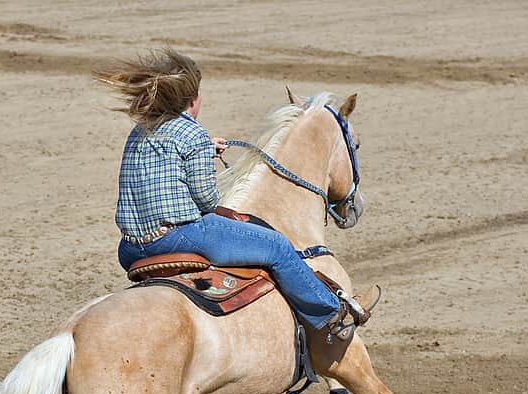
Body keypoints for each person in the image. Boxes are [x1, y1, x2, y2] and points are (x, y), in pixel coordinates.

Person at [94, 49, 376, 336]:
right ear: (193, 100)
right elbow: (207, 200)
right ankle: (333, 314)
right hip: (177, 238)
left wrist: (204, 151)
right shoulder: (193, 135)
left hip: (130, 247)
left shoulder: (141, 129)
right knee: (277, 246)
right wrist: (204, 153)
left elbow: (164, 161)